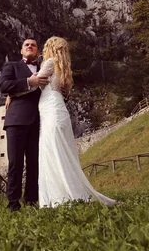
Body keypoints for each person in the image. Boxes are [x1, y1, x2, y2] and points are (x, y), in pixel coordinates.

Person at [36, 36, 116, 208]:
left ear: (50, 48)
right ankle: (67, 191)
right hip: (59, 110)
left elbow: (37, 81)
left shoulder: (49, 63)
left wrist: (29, 78)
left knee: (52, 152)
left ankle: (60, 195)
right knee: (62, 151)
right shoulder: (62, 68)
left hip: (51, 112)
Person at [0, 39, 48, 212]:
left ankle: (32, 201)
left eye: (33, 45)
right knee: (15, 163)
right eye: (26, 44)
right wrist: (28, 82)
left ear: (38, 51)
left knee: (34, 163)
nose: (29, 46)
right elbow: (4, 85)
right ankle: (13, 204)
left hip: (38, 121)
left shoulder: (44, 69)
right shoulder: (11, 66)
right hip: (16, 121)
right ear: (21, 51)